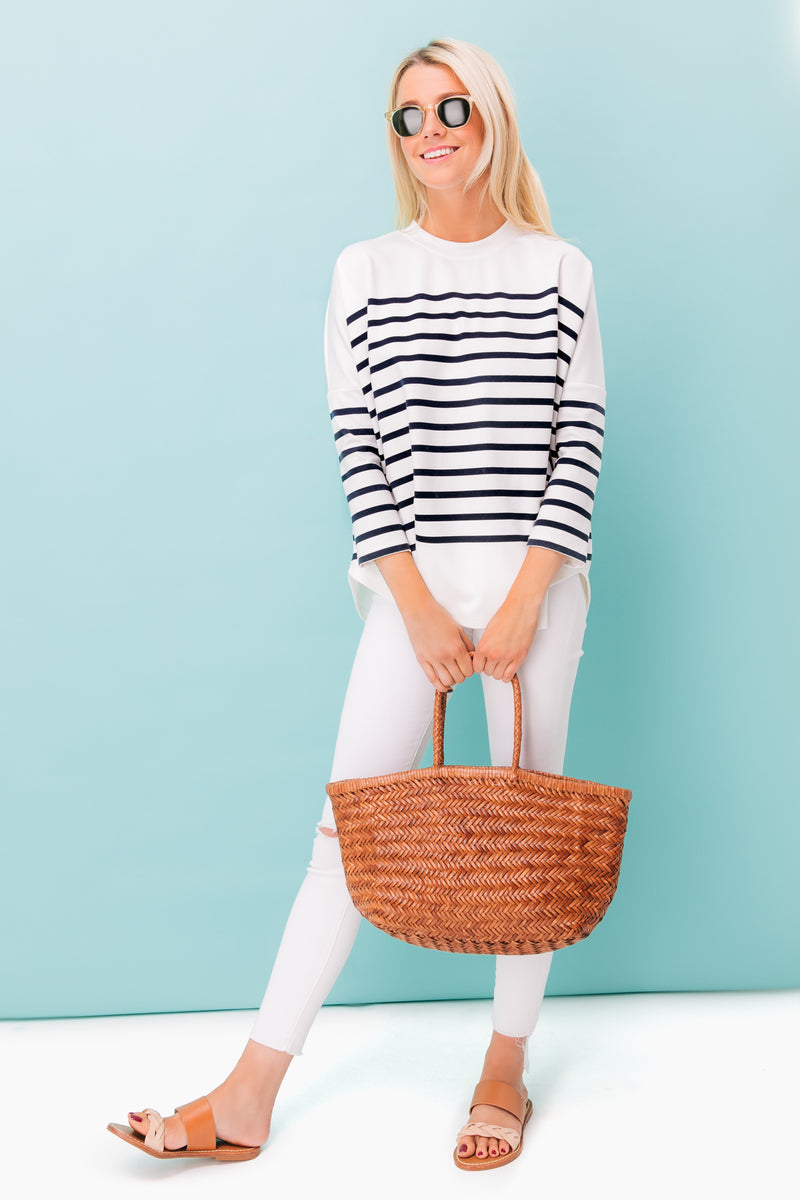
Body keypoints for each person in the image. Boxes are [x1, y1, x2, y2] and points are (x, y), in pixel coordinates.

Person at [107, 36, 606, 1172]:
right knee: (344, 833)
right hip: (411, 588)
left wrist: (526, 598)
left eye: (451, 108)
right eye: (407, 116)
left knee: (524, 840)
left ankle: (504, 1069)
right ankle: (248, 1092)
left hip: (535, 589)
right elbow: (362, 453)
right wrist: (417, 610)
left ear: (491, 119)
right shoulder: (365, 271)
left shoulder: (559, 269)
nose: (430, 131)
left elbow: (578, 443)